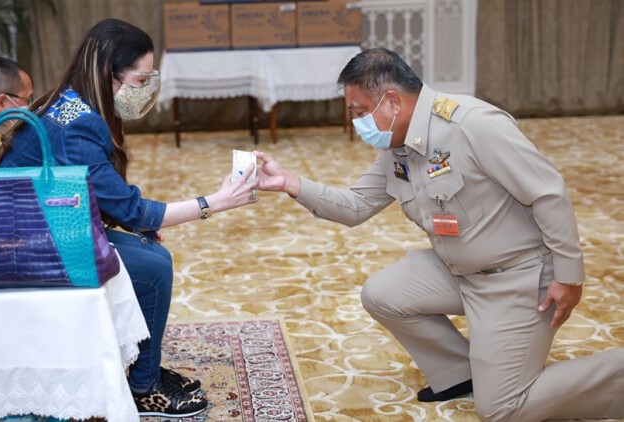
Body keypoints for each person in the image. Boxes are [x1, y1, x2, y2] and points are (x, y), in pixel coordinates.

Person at [254, 48, 624, 421]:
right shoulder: (397, 147)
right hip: (459, 270)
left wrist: (569, 275)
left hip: (518, 279)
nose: (357, 124)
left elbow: (548, 193)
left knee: (503, 409)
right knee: (382, 294)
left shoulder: (473, 125)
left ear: (393, 101)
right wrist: (290, 182)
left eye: (360, 112)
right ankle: (459, 374)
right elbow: (354, 206)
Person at [0, 19, 260, 418]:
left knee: (149, 252)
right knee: (153, 268)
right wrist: (215, 202)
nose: (146, 90)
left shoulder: (71, 101)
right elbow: (130, 207)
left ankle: (142, 372)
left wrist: (141, 225)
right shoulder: (78, 124)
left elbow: (99, 196)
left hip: (43, 226)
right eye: (140, 79)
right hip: (26, 244)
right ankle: (143, 388)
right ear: (108, 74)